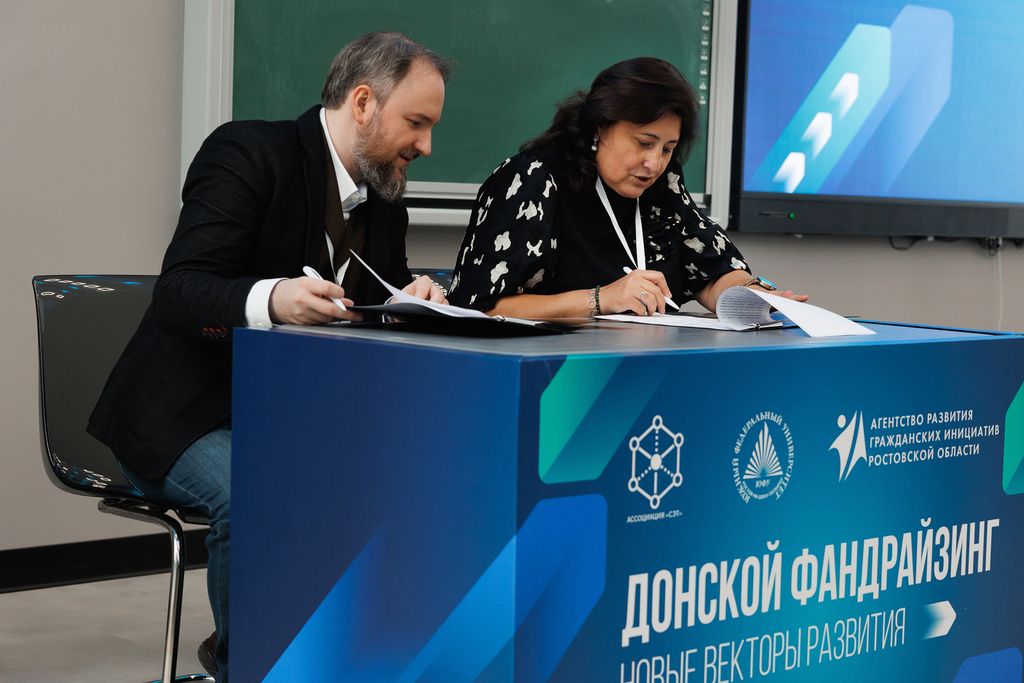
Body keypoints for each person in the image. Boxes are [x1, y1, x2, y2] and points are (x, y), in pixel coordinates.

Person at [88, 32, 451, 681]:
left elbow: (377, 300)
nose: (426, 146)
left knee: (416, 473)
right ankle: (249, 665)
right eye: (417, 123)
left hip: (291, 419)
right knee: (255, 492)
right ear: (363, 103)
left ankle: (340, 653)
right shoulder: (248, 153)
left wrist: (413, 300)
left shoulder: (384, 200)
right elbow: (180, 292)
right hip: (186, 414)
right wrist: (273, 298)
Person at [447, 57, 805, 317]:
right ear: (600, 127)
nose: (654, 163)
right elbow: (480, 308)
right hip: (556, 372)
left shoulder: (663, 186)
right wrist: (600, 299)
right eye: (644, 143)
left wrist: (748, 295)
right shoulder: (533, 179)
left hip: (646, 363)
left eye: (667, 148)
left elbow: (713, 273)